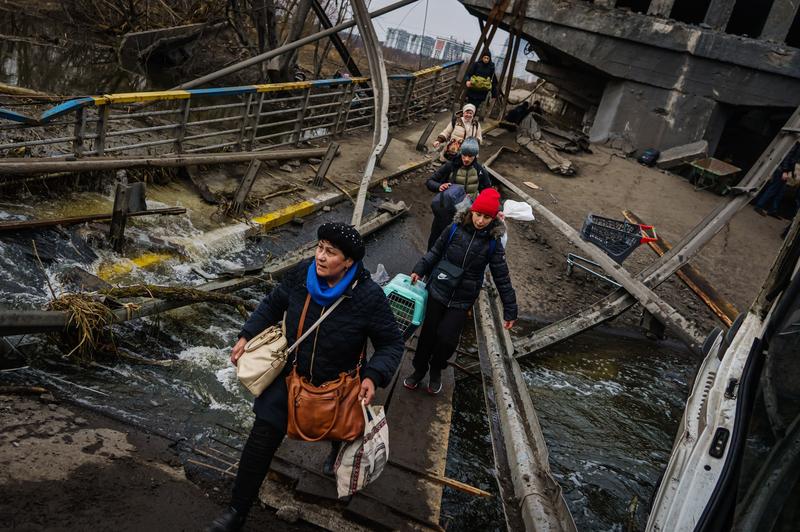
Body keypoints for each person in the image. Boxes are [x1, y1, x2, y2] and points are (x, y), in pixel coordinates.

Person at [208, 223, 404, 532]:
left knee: (340, 429)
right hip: (291, 377)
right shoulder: (303, 274)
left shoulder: (368, 296)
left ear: (349, 261)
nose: (321, 256)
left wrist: (372, 376)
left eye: (331, 252)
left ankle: (336, 450)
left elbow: (392, 343)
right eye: (320, 247)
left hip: (338, 387)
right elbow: (273, 303)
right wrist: (247, 334)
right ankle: (236, 511)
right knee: (261, 438)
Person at [405, 189, 517, 394]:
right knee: (428, 334)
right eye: (478, 214)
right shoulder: (455, 228)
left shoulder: (493, 242)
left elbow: (501, 275)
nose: (481, 221)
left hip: (463, 297)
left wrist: (510, 308)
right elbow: (436, 251)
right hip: (439, 287)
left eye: (487, 217)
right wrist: (419, 270)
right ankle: (419, 370)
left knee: (447, 339)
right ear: (472, 211)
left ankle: (437, 368)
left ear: (493, 218)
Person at [424, 137, 492, 250]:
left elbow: (488, 193)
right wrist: (439, 186)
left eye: (470, 156)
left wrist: (496, 211)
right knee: (436, 241)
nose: (466, 159)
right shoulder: (451, 166)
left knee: (456, 245)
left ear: (475, 156)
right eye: (464, 154)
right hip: (445, 212)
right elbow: (429, 181)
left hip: (466, 216)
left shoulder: (480, 172)